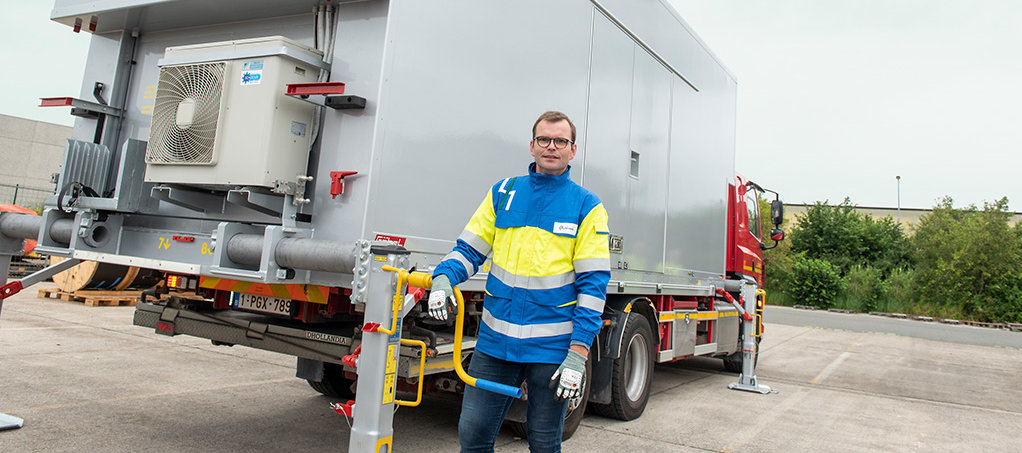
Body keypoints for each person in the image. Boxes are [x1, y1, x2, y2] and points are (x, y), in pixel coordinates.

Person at [428, 111, 611, 452]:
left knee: (543, 443)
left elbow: (593, 286)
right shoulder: (503, 193)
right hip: (495, 346)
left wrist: (578, 353)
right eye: (544, 139)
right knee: (473, 437)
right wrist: (442, 278)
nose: (551, 147)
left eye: (560, 141)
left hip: (552, 351)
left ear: (573, 150)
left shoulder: (587, 206)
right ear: (532, 145)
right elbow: (469, 250)